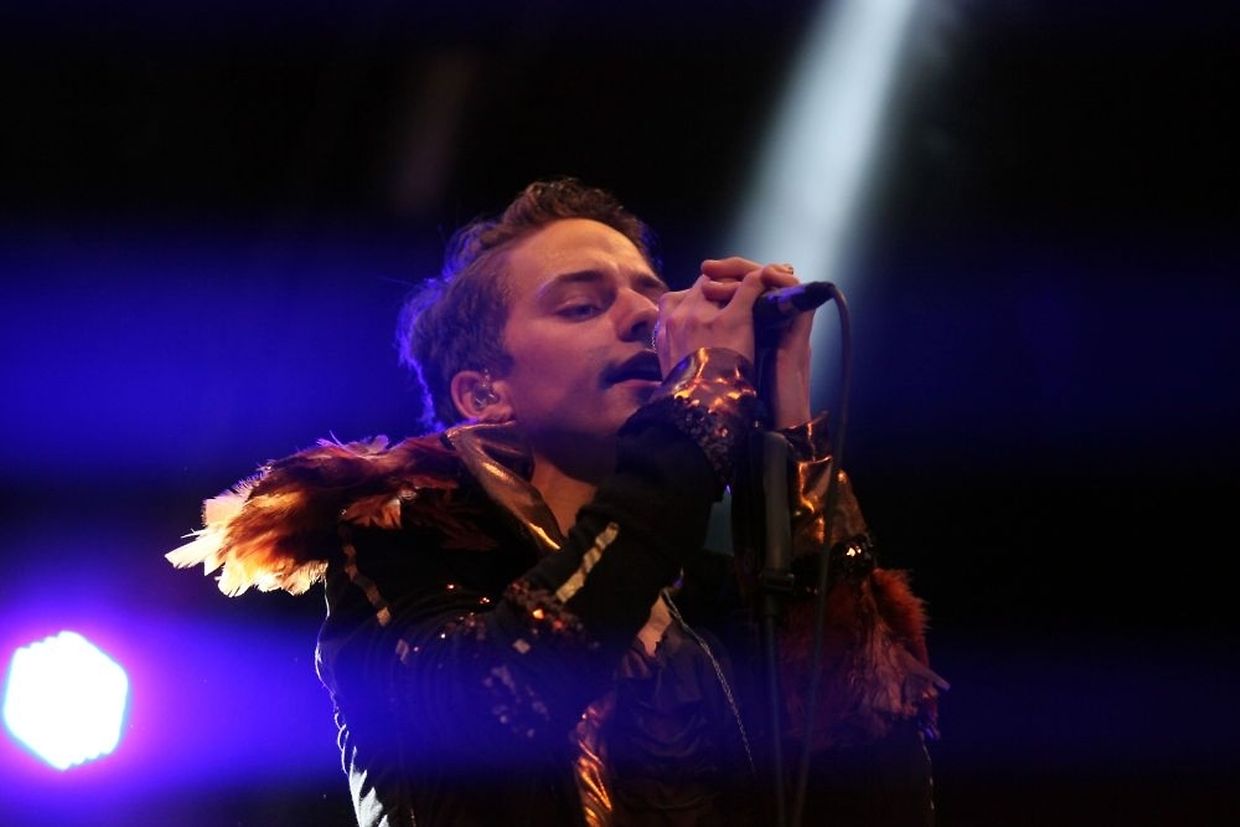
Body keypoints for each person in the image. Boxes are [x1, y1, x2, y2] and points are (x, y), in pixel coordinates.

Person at [168, 179, 944, 826]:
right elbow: (504, 700)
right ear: (485, 394)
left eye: (651, 295)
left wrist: (791, 445)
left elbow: (884, 795)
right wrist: (699, 415)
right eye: (581, 305)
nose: (645, 317)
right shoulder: (398, 543)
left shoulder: (712, 601)